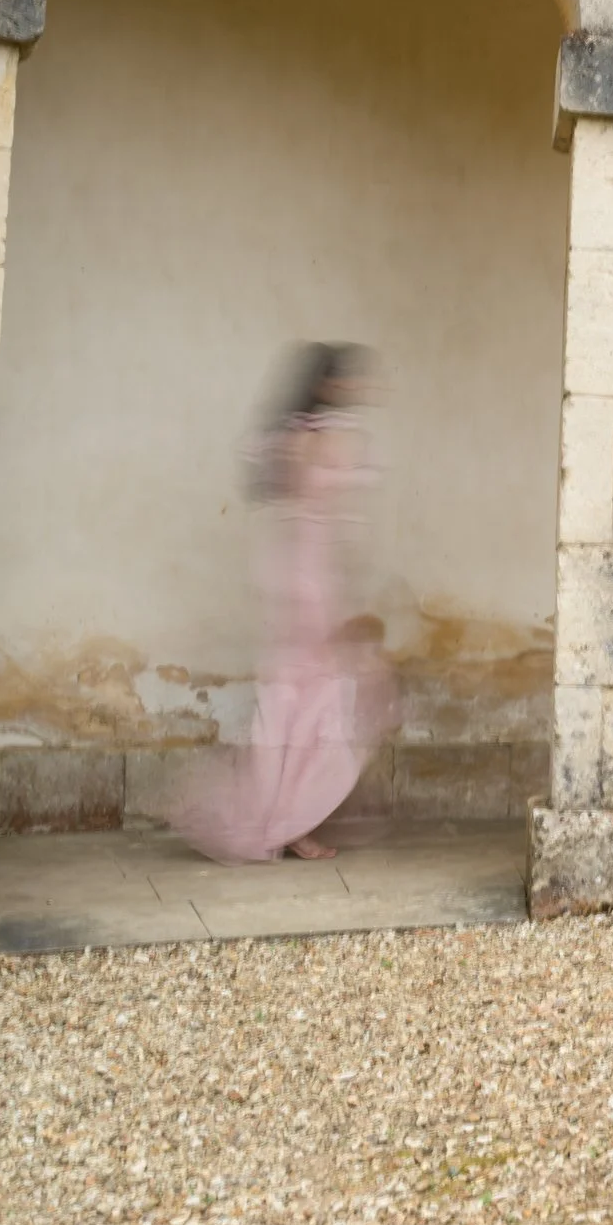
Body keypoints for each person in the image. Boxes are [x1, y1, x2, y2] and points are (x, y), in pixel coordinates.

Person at [177, 343, 398, 864]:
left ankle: (289, 821)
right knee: (319, 702)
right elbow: (326, 516)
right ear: (327, 385)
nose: (357, 389)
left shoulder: (291, 437)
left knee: (300, 705)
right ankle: (290, 823)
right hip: (308, 581)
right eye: (347, 381)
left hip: (294, 575)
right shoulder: (317, 440)